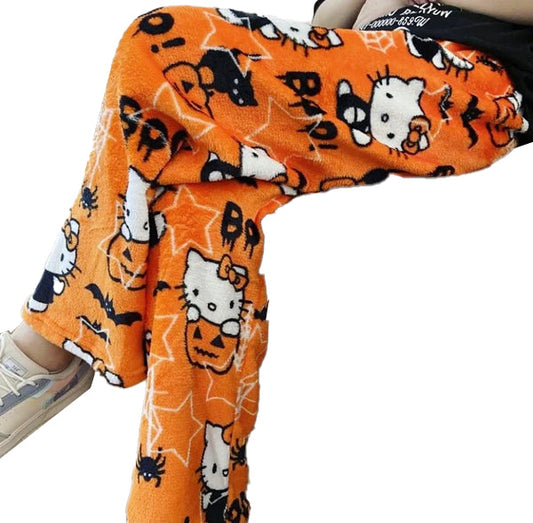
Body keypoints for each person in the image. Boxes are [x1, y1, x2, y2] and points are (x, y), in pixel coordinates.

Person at [0, 1, 531, 521]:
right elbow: (332, 28)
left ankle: (46, 349)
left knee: (156, 41)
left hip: (467, 88)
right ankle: (182, 511)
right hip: (358, 71)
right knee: (196, 204)